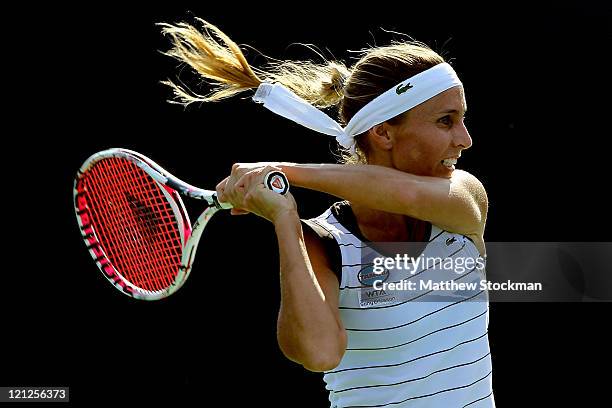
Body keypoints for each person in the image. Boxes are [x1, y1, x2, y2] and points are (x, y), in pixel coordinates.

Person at [160, 18, 495, 407]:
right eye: (446, 121)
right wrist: (284, 217)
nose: (465, 139)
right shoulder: (323, 243)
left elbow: (405, 194)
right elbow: (318, 353)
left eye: (461, 119)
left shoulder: (464, 198)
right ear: (383, 133)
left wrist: (281, 172)